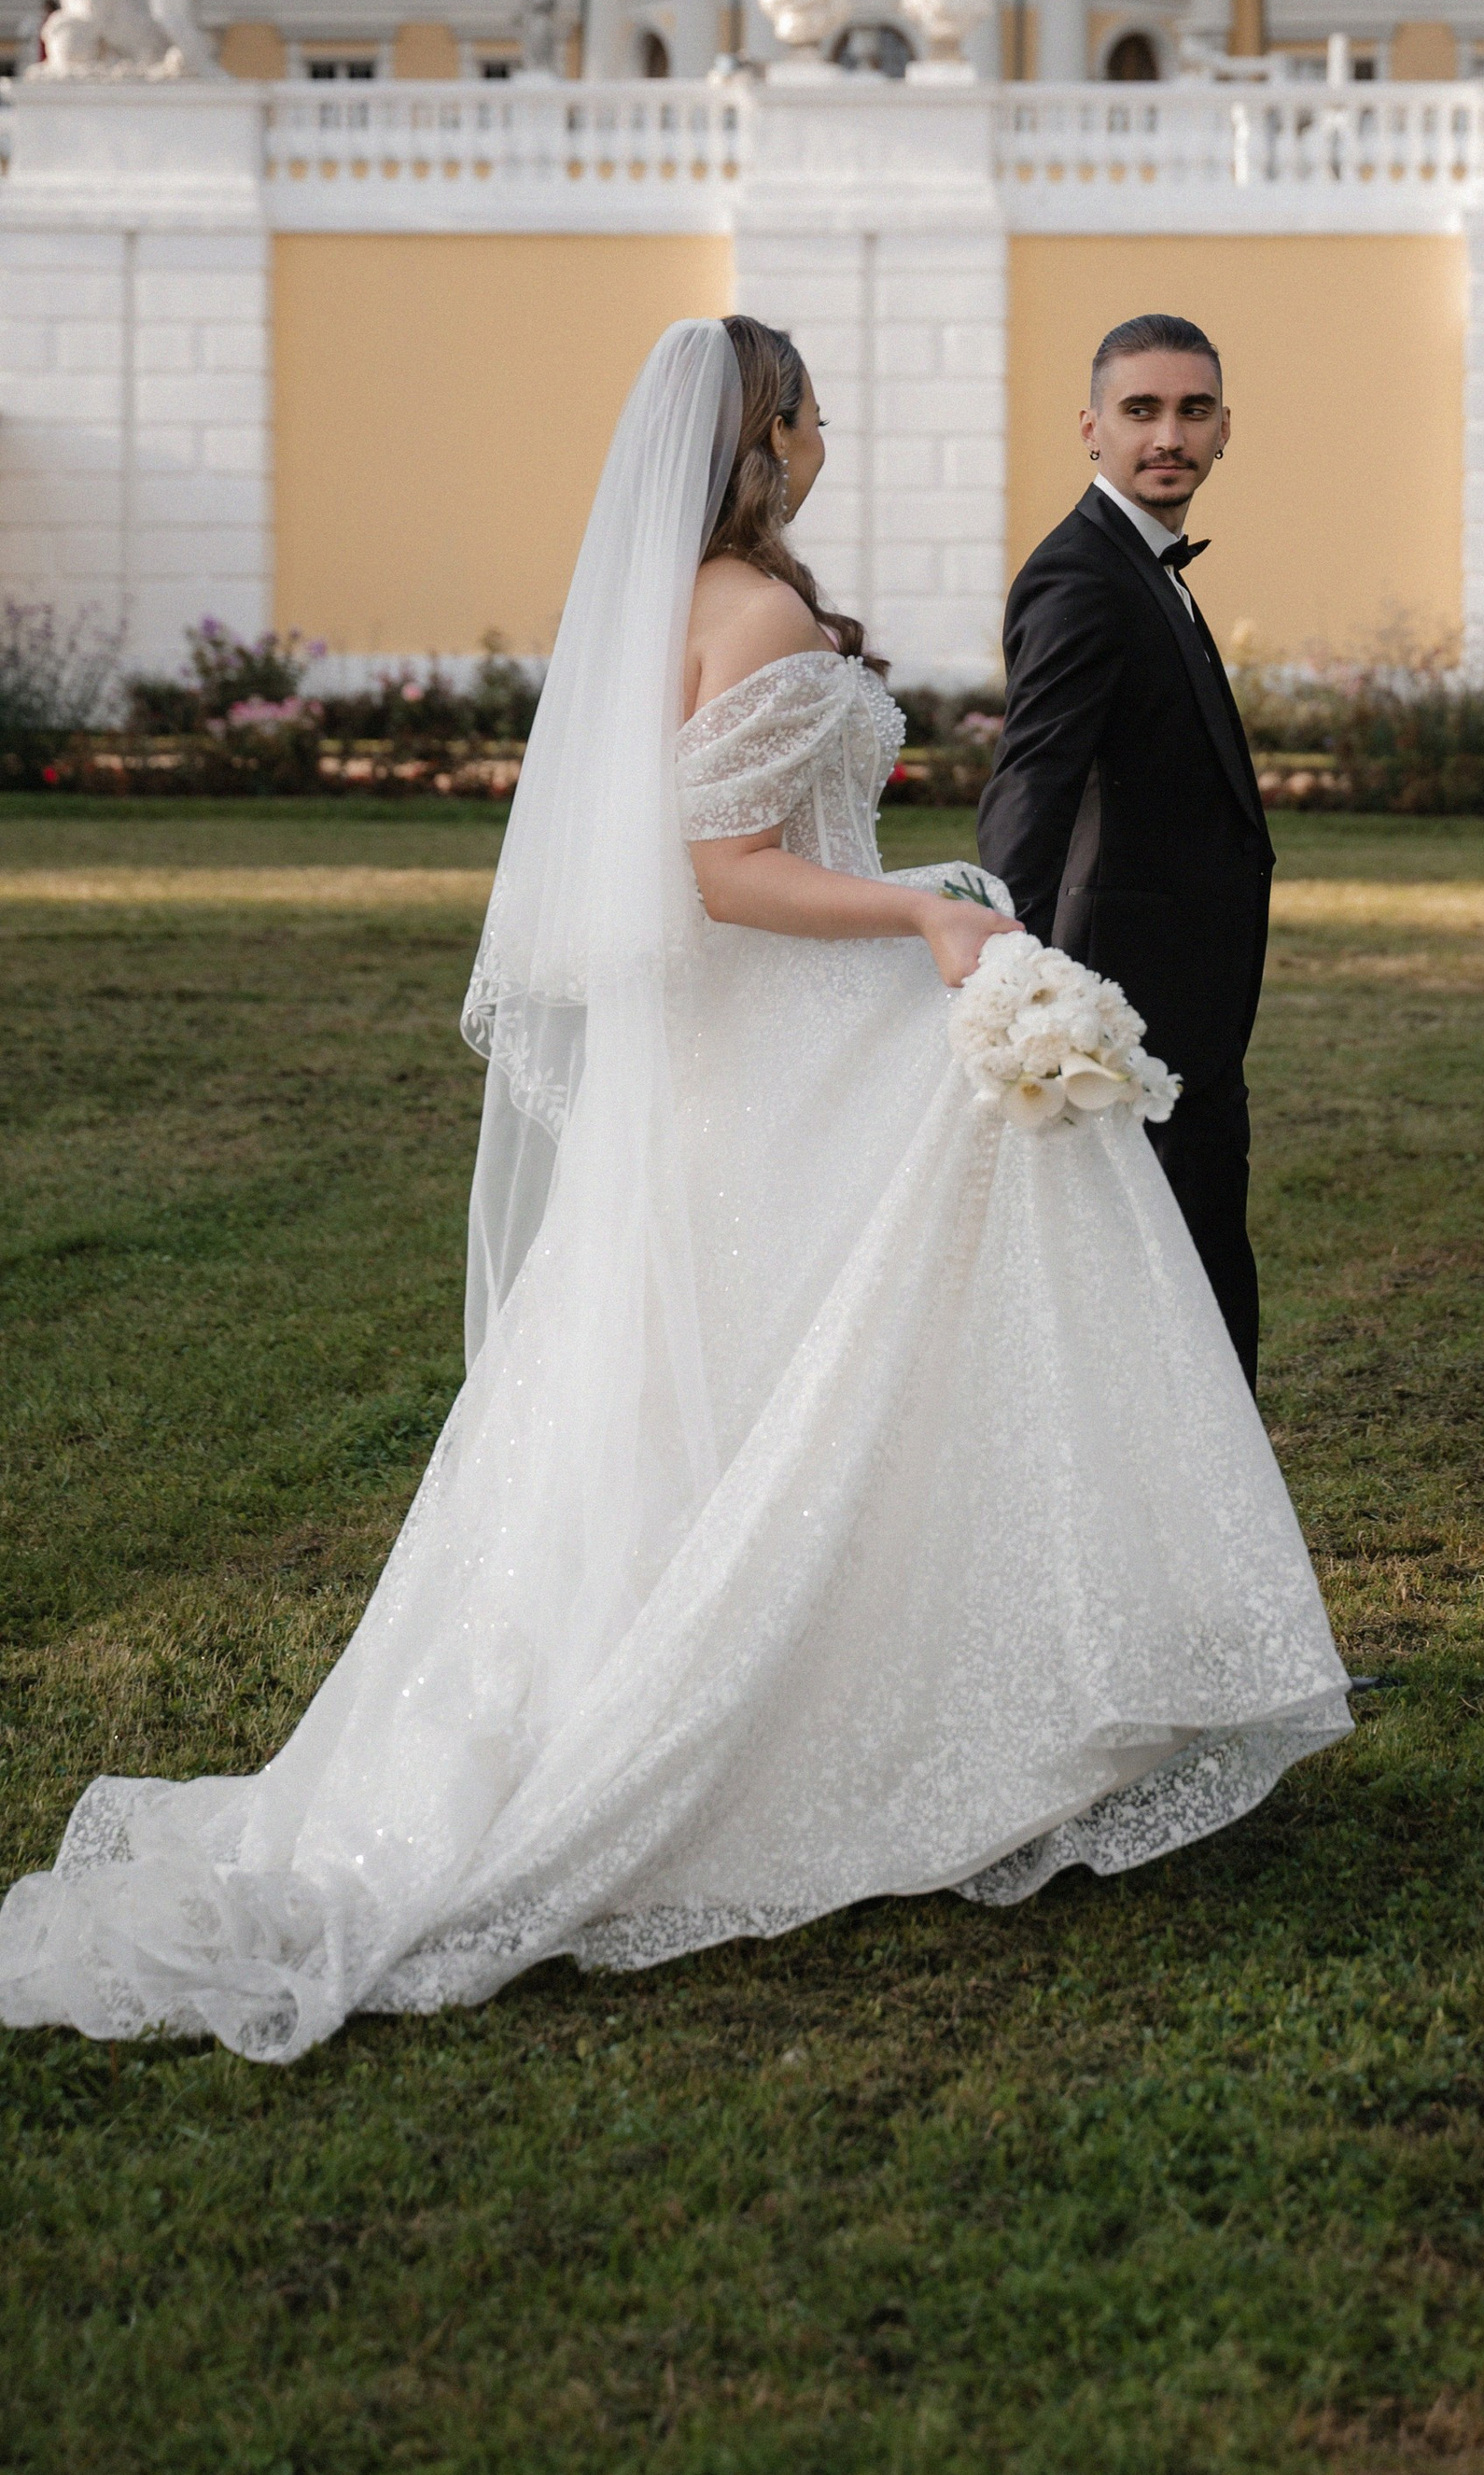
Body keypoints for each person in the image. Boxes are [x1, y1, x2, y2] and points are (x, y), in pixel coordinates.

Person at [0, 316, 1348, 2063]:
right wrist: (938, 913)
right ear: (768, 436)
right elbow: (718, 872)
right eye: (815, 414)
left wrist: (921, 891)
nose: (828, 434)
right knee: (895, 1316)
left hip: (720, 1062)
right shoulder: (762, 611)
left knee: (721, 1382)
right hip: (771, 1038)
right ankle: (908, 1698)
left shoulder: (676, 601)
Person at [977, 317, 1271, 1385]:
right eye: (1140, 411)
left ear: (1225, 428)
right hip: (1128, 1006)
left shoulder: (1147, 565)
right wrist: (1014, 982)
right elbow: (1032, 783)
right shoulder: (1083, 576)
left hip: (1183, 997)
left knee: (1193, 1263)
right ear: (1091, 428)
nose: (1168, 435)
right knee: (1162, 1281)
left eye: (1192, 411)